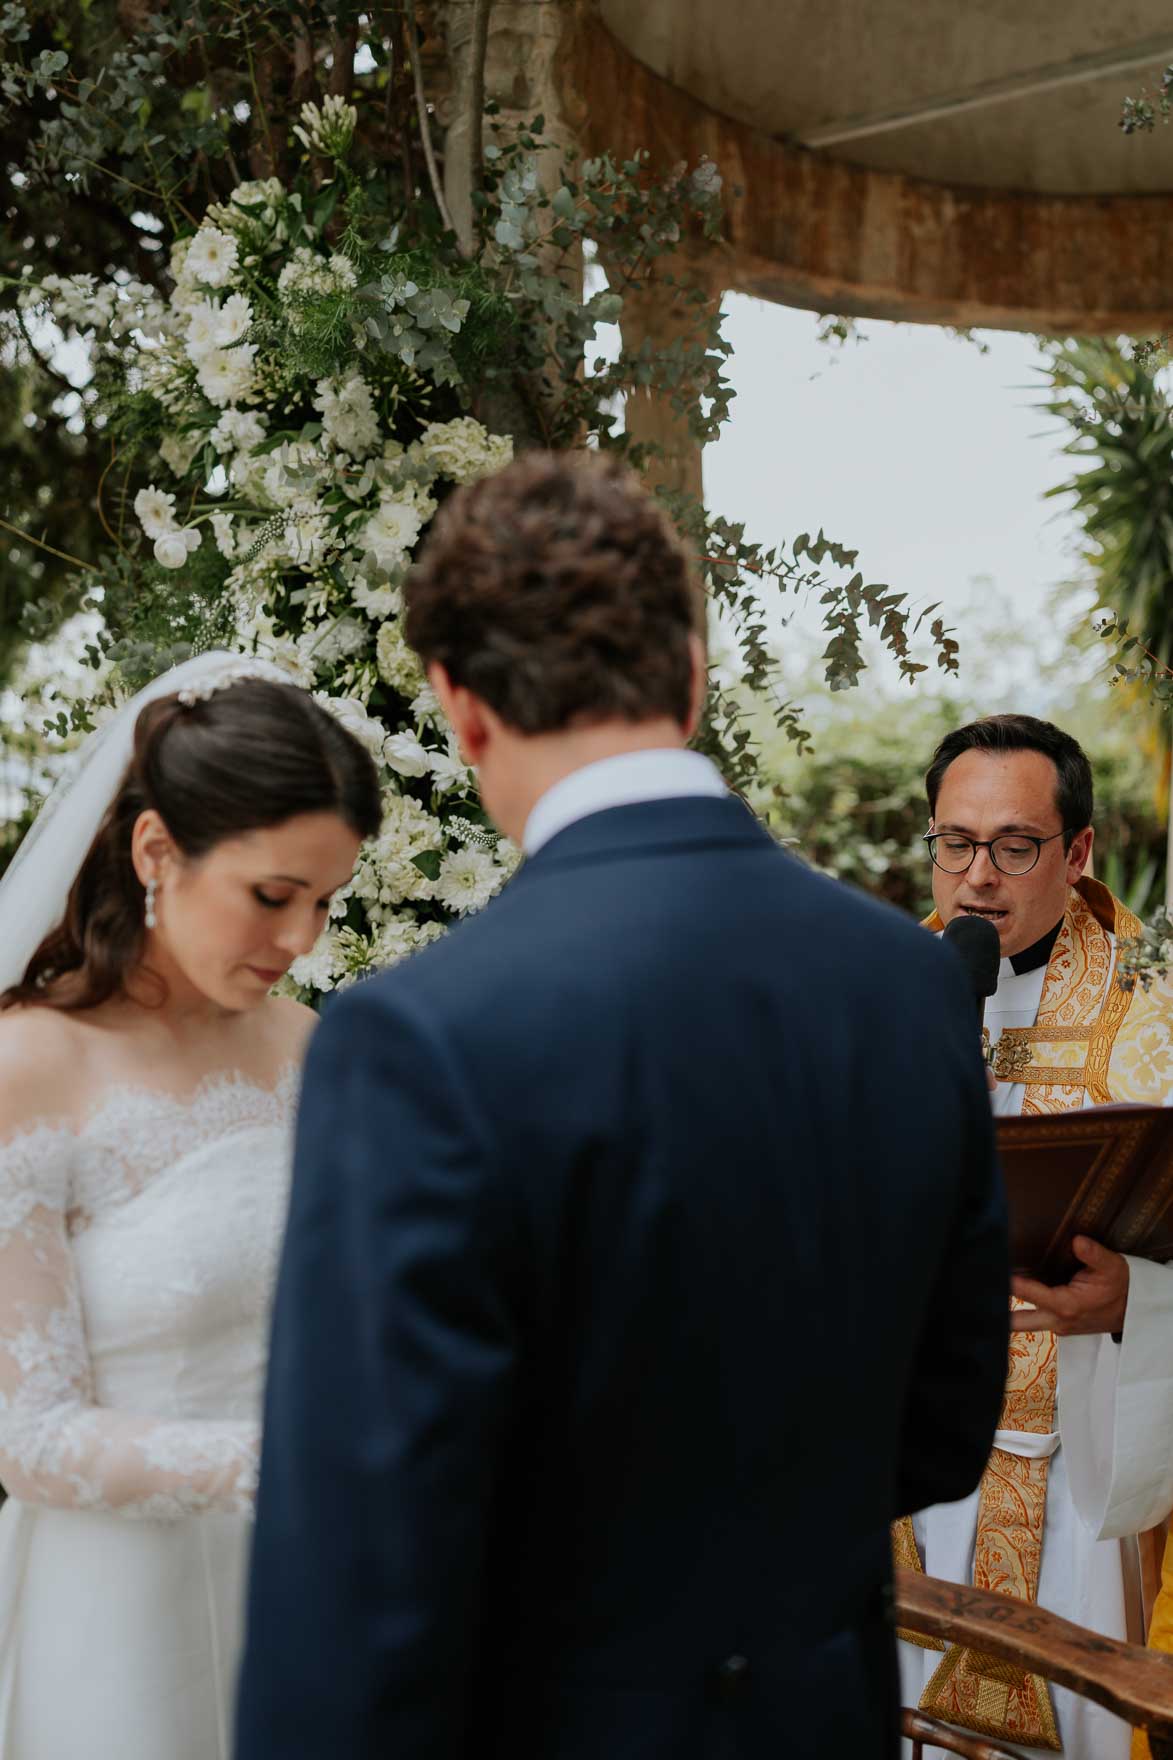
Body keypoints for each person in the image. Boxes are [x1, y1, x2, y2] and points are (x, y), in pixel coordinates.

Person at [235, 450, 1009, 1760]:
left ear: (461, 706)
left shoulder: (418, 1037)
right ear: (692, 676)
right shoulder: (909, 985)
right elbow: (942, 1432)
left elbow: (358, 1585)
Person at [0, 653, 380, 1760]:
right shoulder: (29, 1067)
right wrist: (300, 1463)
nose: (301, 940)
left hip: (315, 1587)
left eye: (325, 902)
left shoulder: (311, 1048)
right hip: (120, 1613)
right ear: (156, 851)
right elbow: (29, 1436)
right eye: (272, 895)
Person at [897, 712, 1173, 1760]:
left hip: (1083, 1469)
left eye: (1014, 846)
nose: (976, 877)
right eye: (954, 842)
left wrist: (1136, 1301)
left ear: (1079, 850)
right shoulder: (878, 999)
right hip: (904, 1464)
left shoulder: (1155, 1021)